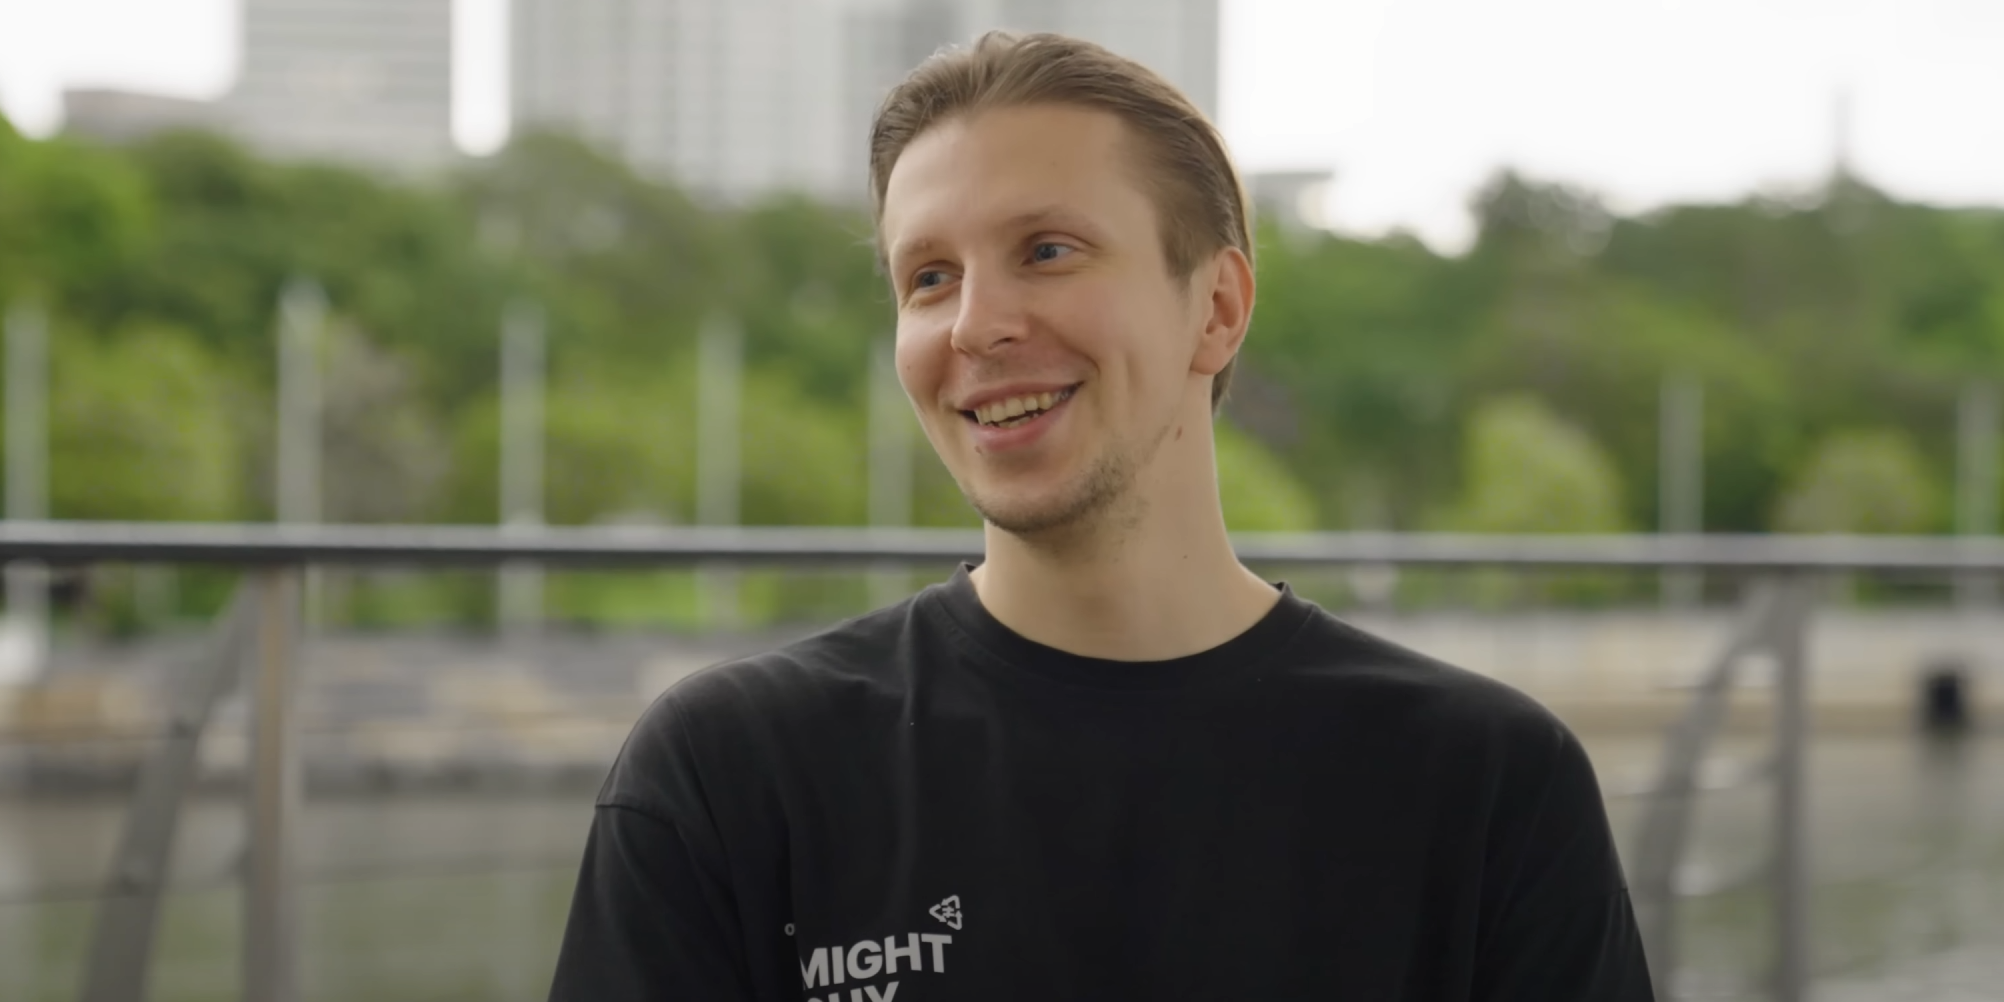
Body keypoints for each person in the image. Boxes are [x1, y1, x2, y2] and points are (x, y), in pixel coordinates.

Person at [549, 30, 1654, 1002]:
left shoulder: (1487, 785)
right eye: (928, 277)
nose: (974, 325)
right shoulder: (732, 776)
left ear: (1216, 308)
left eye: (1047, 251)